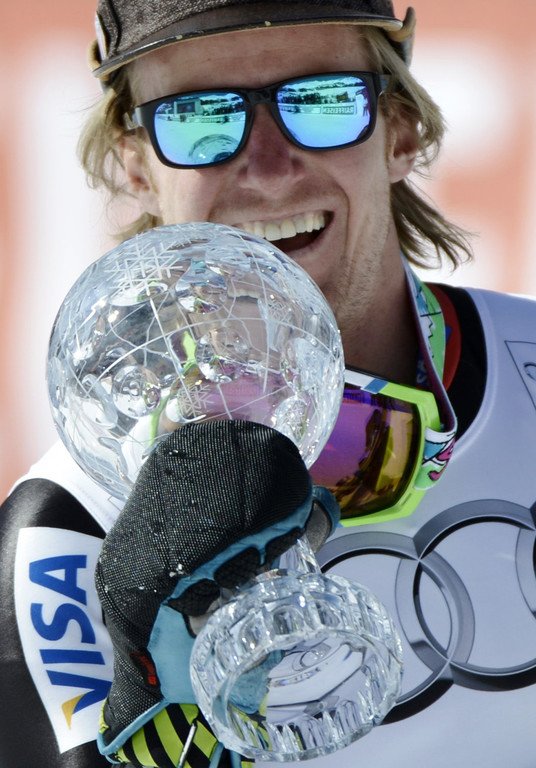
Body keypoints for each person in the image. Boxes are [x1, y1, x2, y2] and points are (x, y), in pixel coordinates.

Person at [2, 1, 536, 767]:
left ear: (401, 129)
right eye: (201, 118)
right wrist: (155, 716)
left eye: (321, 102)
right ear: (135, 165)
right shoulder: (69, 526)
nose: (268, 166)